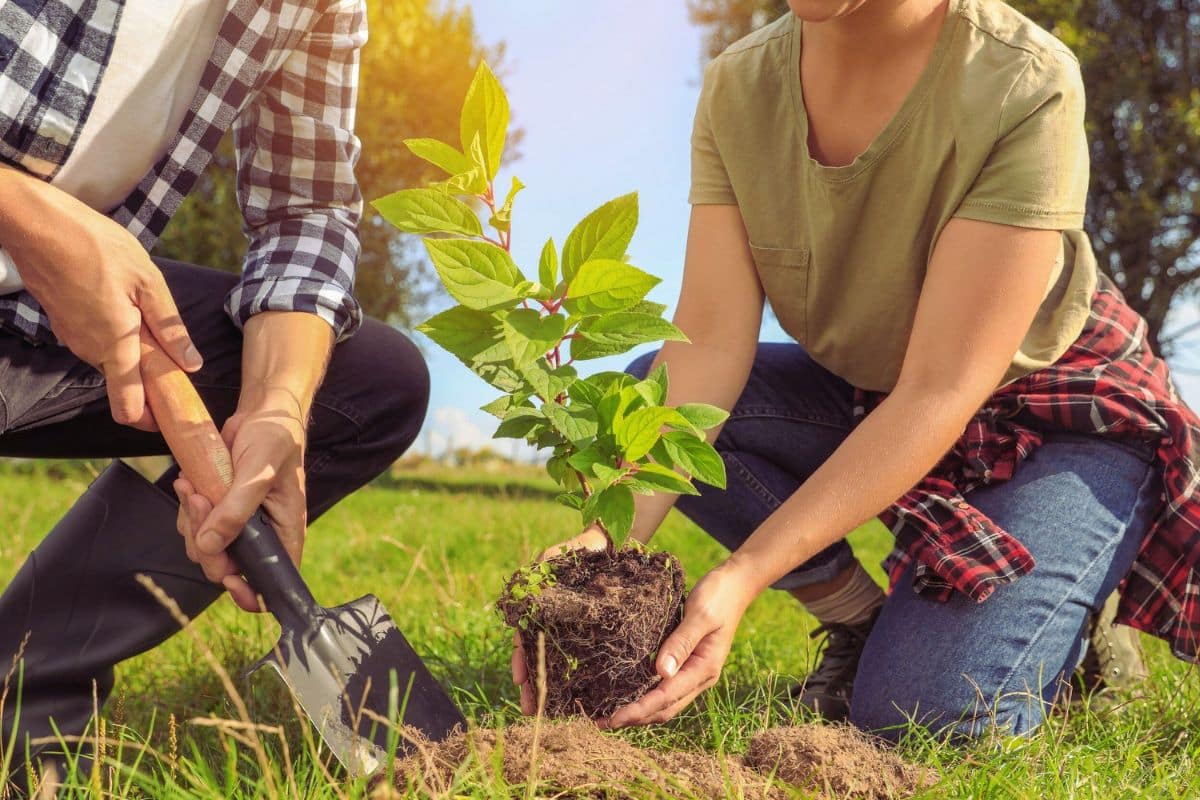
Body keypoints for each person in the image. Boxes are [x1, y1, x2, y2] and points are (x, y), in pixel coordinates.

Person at [515, 0, 1200, 739]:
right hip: (881, 402)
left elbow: (942, 387)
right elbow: (707, 345)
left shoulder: (1024, 81)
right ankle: (858, 618)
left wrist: (745, 574)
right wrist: (607, 538)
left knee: (930, 721)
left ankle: (1082, 602)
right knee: (665, 391)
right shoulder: (740, 86)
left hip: (1060, 417)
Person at [0, 0, 429, 788]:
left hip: (35, 320)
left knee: (369, 383)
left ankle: (18, 691)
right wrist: (24, 214)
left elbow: (305, 212)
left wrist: (276, 406)